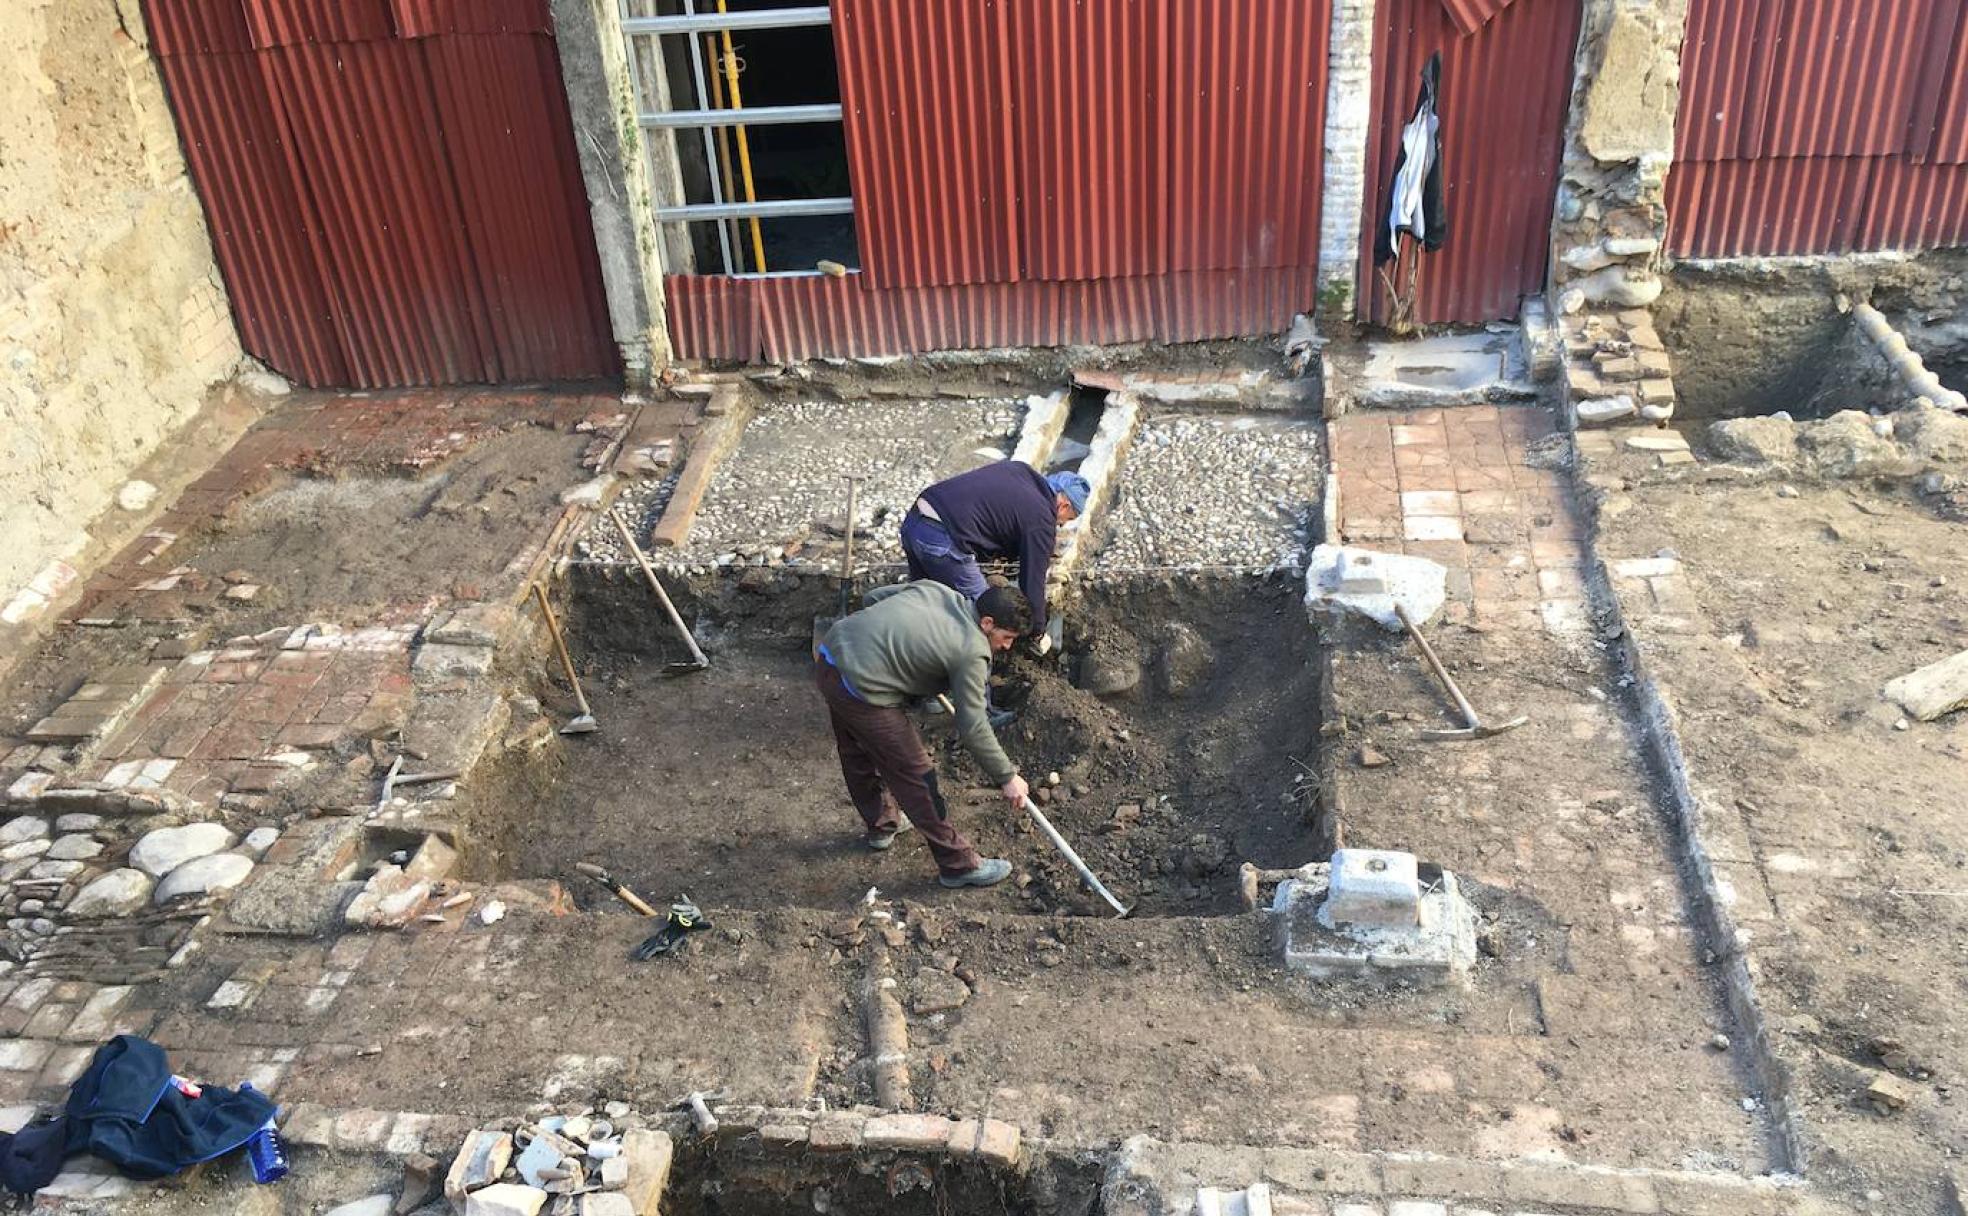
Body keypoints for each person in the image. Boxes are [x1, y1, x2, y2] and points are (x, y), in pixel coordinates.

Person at [814, 581, 1034, 888]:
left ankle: (882, 824)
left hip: (831, 654)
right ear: (987, 623)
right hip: (863, 686)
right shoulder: (972, 650)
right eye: (1006, 637)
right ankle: (958, 865)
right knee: (917, 775)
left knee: (856, 750)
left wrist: (892, 644)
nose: (1007, 646)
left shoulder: (939, 591)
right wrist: (1007, 777)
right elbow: (973, 725)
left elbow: (872, 598)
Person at [900, 461, 1089, 639]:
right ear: (1063, 506)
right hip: (942, 539)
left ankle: (904, 643)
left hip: (915, 521)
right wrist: (1036, 630)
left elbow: (993, 518)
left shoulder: (1020, 471)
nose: (1061, 525)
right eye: (1067, 519)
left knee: (925, 599)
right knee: (988, 614)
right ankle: (977, 669)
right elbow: (1032, 583)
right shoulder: (1042, 518)